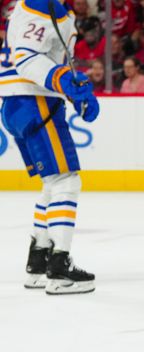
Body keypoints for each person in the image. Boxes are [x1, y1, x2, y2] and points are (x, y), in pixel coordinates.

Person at [1, 0, 100, 294]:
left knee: (51, 183)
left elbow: (42, 55)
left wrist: (71, 89)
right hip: (34, 99)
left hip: (16, 101)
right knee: (66, 181)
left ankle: (38, 260)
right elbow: (27, 56)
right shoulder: (43, 4)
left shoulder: (43, 5)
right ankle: (59, 268)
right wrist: (63, 80)